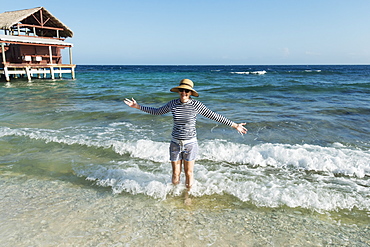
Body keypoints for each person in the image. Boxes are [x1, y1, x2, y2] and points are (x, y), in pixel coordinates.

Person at [124, 79, 247, 191]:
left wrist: (235, 125)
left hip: (190, 144)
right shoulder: (173, 104)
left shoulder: (196, 105)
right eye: (182, 90)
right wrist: (137, 106)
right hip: (175, 143)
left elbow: (214, 116)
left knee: (189, 173)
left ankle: (188, 196)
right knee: (176, 173)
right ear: (179, 91)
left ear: (190, 93)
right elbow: (157, 111)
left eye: (187, 91)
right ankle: (174, 194)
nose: (184, 93)